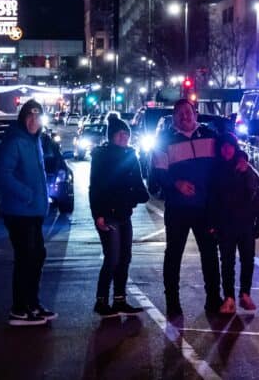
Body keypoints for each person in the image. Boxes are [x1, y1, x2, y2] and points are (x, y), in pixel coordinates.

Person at [148, 99, 222, 318]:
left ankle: (213, 299)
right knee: (173, 255)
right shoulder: (163, 141)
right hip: (177, 208)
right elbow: (158, 174)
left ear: (195, 114)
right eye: (180, 113)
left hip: (205, 208)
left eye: (188, 112)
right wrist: (176, 184)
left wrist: (242, 159)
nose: (185, 117)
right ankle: (172, 302)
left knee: (210, 254)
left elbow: (230, 153)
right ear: (174, 117)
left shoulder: (210, 135)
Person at [0, 99, 56, 326]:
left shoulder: (34, 140)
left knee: (36, 256)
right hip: (19, 211)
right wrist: (28, 194)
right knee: (27, 258)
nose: (34, 120)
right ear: (23, 118)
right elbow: (2, 174)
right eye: (29, 116)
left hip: (33, 211)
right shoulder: (16, 141)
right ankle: (20, 309)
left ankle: (32, 303)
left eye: (37, 116)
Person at [90, 115, 149, 317]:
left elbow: (139, 184)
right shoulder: (102, 156)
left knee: (125, 257)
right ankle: (101, 300)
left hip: (125, 213)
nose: (124, 138)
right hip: (108, 214)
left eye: (127, 134)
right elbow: (95, 187)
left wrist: (139, 195)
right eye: (120, 134)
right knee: (112, 258)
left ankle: (119, 299)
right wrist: (98, 214)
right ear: (112, 136)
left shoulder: (131, 156)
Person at [209, 134, 259, 314]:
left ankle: (245, 294)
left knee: (247, 259)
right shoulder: (216, 170)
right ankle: (230, 297)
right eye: (224, 146)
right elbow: (212, 201)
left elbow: (257, 196)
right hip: (225, 224)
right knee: (227, 262)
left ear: (235, 148)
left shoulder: (246, 169)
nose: (227, 150)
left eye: (230, 146)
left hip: (246, 223)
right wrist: (212, 223)